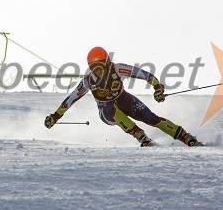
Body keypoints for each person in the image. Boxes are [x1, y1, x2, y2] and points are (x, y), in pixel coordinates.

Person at [44, 46, 204, 147]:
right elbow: (70, 99)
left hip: (125, 100)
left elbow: (143, 74)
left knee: (152, 118)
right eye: (95, 67)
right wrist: (55, 116)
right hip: (106, 111)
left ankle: (185, 136)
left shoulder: (117, 68)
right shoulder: (88, 81)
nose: (99, 71)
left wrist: (157, 86)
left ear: (108, 62)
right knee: (110, 108)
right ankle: (140, 135)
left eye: (102, 66)